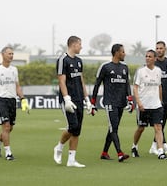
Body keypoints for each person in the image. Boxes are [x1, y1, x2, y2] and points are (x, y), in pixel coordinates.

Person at [131, 41, 167, 157]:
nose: (159, 50)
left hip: (163, 100)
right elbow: (137, 86)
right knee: (142, 127)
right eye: (157, 48)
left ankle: (157, 148)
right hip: (147, 102)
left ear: (165, 49)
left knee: (160, 125)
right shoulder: (149, 67)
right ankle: (143, 146)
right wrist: (139, 101)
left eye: (161, 48)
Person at [53, 36, 92, 168]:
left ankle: (71, 160)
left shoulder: (79, 61)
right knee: (73, 126)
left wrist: (87, 99)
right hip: (68, 99)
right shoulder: (62, 60)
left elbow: (81, 81)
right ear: (73, 44)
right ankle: (59, 147)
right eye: (80, 44)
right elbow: (61, 81)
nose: (81, 47)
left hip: (79, 98)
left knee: (77, 130)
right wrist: (66, 99)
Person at [91, 44, 133, 162]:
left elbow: (127, 85)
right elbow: (97, 84)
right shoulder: (105, 67)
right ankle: (120, 153)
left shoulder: (125, 67)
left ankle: (104, 153)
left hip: (121, 102)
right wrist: (93, 102)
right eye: (123, 51)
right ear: (116, 53)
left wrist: (130, 100)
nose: (124, 54)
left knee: (113, 128)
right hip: (110, 102)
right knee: (113, 128)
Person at [131, 49, 167, 160]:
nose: (147, 58)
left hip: (156, 105)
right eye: (146, 56)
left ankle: (161, 151)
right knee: (141, 128)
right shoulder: (141, 71)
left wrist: (160, 101)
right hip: (143, 106)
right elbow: (135, 87)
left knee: (158, 128)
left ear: (154, 59)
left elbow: (159, 86)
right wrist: (138, 102)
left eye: (150, 56)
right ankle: (134, 146)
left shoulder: (158, 71)